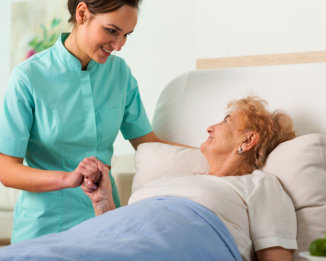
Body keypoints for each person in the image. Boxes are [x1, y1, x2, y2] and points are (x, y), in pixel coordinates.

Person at [0, 0, 169, 244]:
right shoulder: (28, 77)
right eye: (112, 31)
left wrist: (221, 156)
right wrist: (66, 178)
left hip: (105, 223)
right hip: (44, 230)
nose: (119, 46)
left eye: (126, 35)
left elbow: (150, 146)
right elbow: (6, 169)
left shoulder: (120, 74)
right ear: (82, 13)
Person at [81, 96, 298, 261]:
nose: (210, 127)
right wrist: (102, 201)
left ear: (248, 140)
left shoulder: (259, 184)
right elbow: (115, 234)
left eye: (226, 121)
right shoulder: (170, 179)